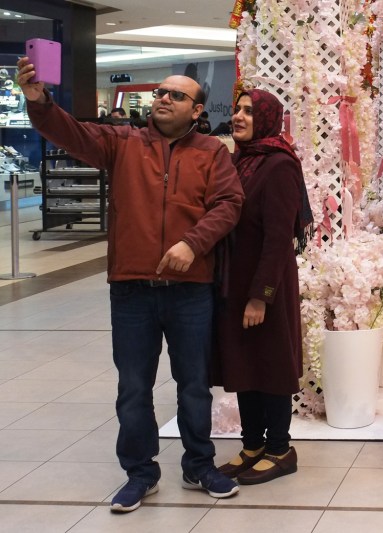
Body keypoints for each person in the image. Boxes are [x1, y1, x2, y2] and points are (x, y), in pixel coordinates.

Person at [16, 57, 245, 512]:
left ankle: (200, 465)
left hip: (189, 290)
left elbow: (228, 203)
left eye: (176, 95)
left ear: (197, 111)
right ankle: (140, 473)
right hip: (132, 290)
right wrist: (39, 101)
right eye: (161, 92)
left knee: (194, 384)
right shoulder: (120, 142)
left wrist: (191, 244)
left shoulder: (212, 153)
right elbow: (69, 132)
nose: (163, 98)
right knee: (134, 387)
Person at [215, 88, 313, 485]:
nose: (238, 116)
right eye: (237, 109)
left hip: (266, 285)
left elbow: (277, 239)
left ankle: (280, 449)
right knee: (244, 364)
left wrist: (261, 296)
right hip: (235, 282)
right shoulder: (242, 162)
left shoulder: (278, 166)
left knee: (270, 366)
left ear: (268, 118)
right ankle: (252, 445)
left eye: (249, 112)